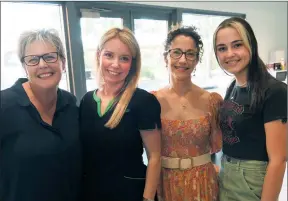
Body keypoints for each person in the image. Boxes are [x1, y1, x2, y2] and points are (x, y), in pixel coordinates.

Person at [79, 27, 161, 201]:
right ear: (99, 56)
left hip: (130, 192)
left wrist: (147, 198)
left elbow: (154, 157)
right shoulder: (87, 101)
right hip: (92, 192)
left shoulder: (144, 101)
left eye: (124, 58)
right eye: (109, 55)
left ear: (132, 64)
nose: (115, 64)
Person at [0, 29, 82, 201]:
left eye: (50, 56)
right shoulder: (4, 105)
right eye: (33, 60)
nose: (42, 64)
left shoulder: (70, 104)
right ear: (25, 67)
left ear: (63, 63)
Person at [213, 17, 287, 201]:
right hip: (227, 172)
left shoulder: (274, 90)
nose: (229, 54)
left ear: (251, 45)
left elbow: (278, 160)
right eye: (222, 48)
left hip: (252, 179)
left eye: (237, 45)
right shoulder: (233, 87)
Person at [152, 25, 223, 201]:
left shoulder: (211, 101)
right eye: (176, 52)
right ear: (166, 57)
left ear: (197, 60)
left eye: (190, 54)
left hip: (203, 182)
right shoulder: (152, 101)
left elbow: (219, 147)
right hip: (167, 182)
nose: (183, 60)